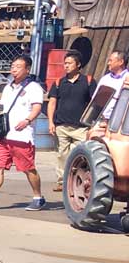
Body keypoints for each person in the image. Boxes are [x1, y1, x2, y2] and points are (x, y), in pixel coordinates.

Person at [0, 54, 46, 211]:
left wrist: (27, 120)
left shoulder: (33, 88)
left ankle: (38, 196)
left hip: (22, 137)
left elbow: (37, 107)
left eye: (18, 67)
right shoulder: (8, 87)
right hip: (4, 135)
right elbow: (2, 110)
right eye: (13, 66)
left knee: (28, 168)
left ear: (27, 69)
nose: (14, 70)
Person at [46, 50, 96, 192]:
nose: (66, 66)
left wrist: (92, 124)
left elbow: (95, 103)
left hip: (81, 127)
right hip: (61, 125)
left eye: (69, 63)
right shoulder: (59, 82)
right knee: (62, 155)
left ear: (78, 64)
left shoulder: (88, 81)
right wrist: (50, 122)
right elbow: (52, 103)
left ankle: (76, 181)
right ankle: (62, 181)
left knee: (79, 156)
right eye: (65, 63)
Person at [93, 49, 126, 123]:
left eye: (111, 60)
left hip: (118, 122)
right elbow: (95, 100)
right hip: (100, 120)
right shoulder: (105, 79)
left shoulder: (127, 79)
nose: (108, 63)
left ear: (120, 62)